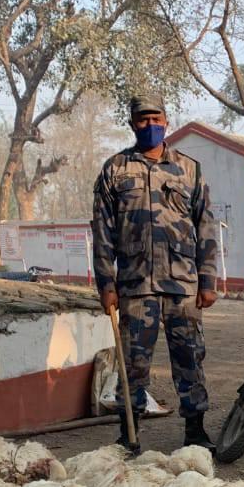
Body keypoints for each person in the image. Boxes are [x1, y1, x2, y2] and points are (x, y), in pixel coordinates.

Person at [92, 95, 220, 453]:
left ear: (167, 120)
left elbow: (206, 227)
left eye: (156, 118)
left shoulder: (189, 169)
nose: (150, 125)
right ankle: (128, 434)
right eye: (142, 120)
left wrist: (208, 280)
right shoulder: (115, 170)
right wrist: (106, 283)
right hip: (135, 286)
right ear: (132, 124)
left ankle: (195, 431)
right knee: (132, 364)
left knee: (190, 359)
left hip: (182, 285)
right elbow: (102, 232)